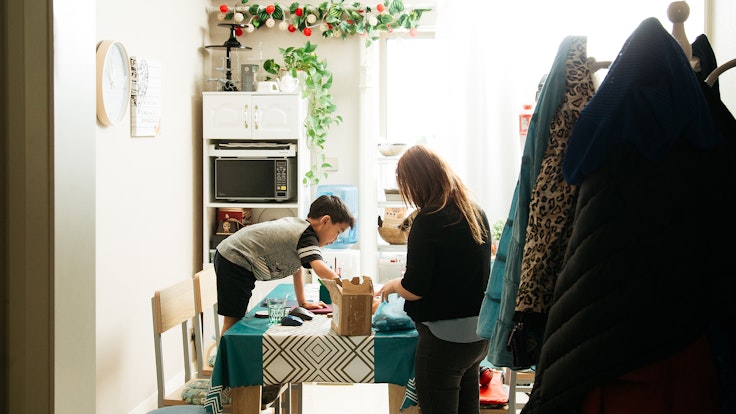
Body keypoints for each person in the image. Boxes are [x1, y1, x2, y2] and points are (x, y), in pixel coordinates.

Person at [377, 145, 492, 414]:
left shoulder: (428, 220)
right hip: (478, 337)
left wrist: (394, 285)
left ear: (417, 184)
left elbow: (415, 289)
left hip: (445, 341)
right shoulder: (475, 212)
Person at [214, 194, 354, 335]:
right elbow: (319, 267)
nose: (335, 239)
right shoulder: (306, 236)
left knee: (238, 319)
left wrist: (303, 302)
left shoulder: (300, 232)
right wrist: (347, 290)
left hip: (235, 258)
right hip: (234, 258)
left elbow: (296, 268)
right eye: (337, 232)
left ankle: (231, 352)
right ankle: (224, 356)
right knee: (233, 322)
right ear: (325, 221)